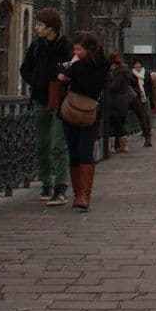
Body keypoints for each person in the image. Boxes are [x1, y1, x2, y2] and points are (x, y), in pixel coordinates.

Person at [19, 8, 72, 206]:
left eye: (39, 24)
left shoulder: (66, 47)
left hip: (60, 99)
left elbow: (73, 69)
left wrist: (62, 78)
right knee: (41, 143)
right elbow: (25, 69)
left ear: (51, 28)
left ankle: (60, 187)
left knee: (58, 144)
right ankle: (46, 182)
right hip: (41, 98)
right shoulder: (36, 47)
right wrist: (38, 82)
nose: (36, 27)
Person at [57, 34, 109, 212]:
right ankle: (77, 192)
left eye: (79, 49)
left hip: (89, 113)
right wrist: (64, 74)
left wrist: (73, 67)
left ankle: (84, 195)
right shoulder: (75, 62)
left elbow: (91, 86)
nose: (75, 52)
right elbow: (61, 73)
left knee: (84, 150)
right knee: (73, 152)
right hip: (70, 111)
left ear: (89, 50)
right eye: (75, 49)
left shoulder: (100, 64)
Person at [104, 51, 136, 153]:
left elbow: (114, 86)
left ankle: (117, 146)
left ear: (113, 64)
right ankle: (117, 145)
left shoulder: (118, 72)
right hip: (123, 101)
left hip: (115, 101)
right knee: (118, 122)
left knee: (115, 123)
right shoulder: (125, 71)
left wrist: (106, 85)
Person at [130, 60, 153, 147]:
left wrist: (150, 96)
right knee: (141, 115)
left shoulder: (146, 73)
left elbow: (150, 86)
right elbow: (131, 86)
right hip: (137, 97)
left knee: (147, 114)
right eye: (136, 64)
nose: (137, 66)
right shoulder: (131, 74)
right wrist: (138, 92)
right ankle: (145, 133)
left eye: (139, 64)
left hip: (145, 96)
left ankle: (148, 132)